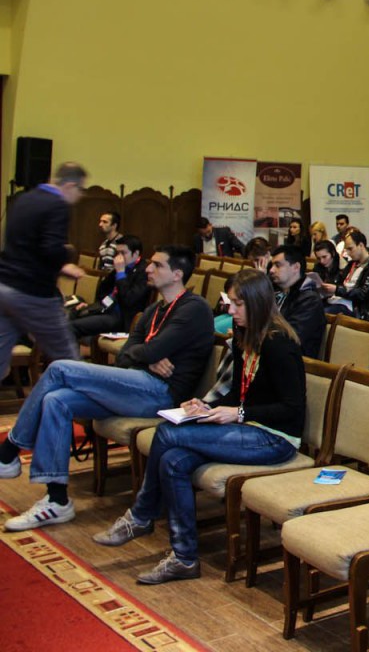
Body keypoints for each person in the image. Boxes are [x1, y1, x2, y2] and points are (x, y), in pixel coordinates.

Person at [92, 268, 305, 584]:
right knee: (172, 460)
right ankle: (184, 558)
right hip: (248, 426)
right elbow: (238, 391)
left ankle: (141, 515)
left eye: (238, 304)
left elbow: (292, 409)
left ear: (258, 303)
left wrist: (239, 413)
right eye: (230, 303)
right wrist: (207, 406)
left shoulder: (279, 343)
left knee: (167, 432)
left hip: (275, 438)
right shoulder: (243, 335)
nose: (231, 311)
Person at [0, 246, 214, 530]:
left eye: (157, 265)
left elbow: (148, 350)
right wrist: (147, 356)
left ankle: (9, 451)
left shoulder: (194, 308)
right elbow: (125, 354)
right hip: (135, 384)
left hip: (162, 394)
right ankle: (57, 500)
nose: (149, 269)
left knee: (60, 369)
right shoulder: (154, 309)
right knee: (57, 400)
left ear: (177, 274)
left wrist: (147, 354)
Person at [0, 162, 89, 384]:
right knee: (69, 358)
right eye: (81, 190)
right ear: (70, 185)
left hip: (5, 288)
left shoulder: (24, 199)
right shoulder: (57, 205)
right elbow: (51, 248)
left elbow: (20, 244)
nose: (80, 196)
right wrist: (66, 257)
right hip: (33, 292)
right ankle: (86, 403)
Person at [68, 234, 152, 340]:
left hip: (121, 316)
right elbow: (102, 290)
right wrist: (93, 306)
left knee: (72, 326)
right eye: (118, 253)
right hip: (105, 308)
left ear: (136, 253)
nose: (119, 257)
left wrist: (120, 273)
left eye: (123, 253)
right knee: (72, 314)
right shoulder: (120, 267)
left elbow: (129, 300)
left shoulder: (144, 272)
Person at [269, 244, 325, 358]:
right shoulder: (277, 292)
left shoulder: (309, 300)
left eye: (277, 265)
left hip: (293, 360)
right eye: (271, 265)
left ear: (296, 267)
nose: (271, 270)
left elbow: (290, 337)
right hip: (274, 352)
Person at [321, 230, 369, 320]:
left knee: (321, 314)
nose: (348, 253)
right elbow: (340, 282)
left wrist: (337, 289)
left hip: (357, 309)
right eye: (346, 250)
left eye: (350, 249)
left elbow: (365, 293)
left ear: (361, 245)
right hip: (340, 301)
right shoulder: (352, 264)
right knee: (313, 307)